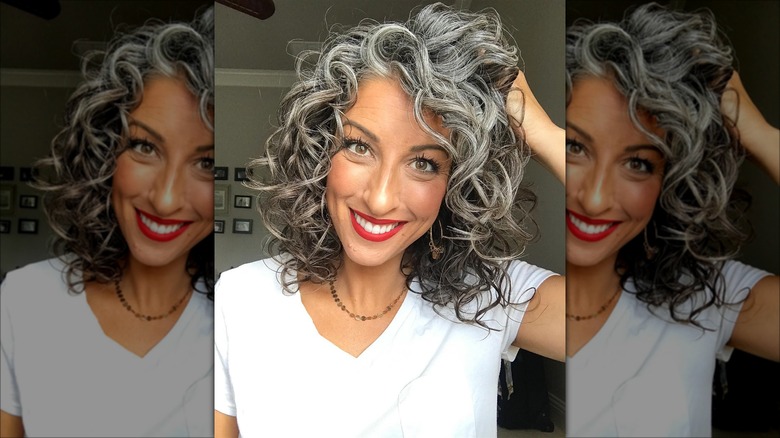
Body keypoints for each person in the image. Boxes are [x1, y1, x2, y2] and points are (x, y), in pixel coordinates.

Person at [214, 3, 565, 437]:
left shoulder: (491, 299)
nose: (380, 199)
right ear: (322, 152)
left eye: (424, 163)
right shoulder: (240, 299)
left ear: (456, 183)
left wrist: (548, 136)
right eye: (360, 147)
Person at [564, 3, 779, 436]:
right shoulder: (503, 294)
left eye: (639, 164)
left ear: (670, 179)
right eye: (575, 147)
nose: (595, 197)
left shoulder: (704, 299)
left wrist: (761, 134)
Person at [0, 7, 215, 437]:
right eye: (145, 148)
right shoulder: (25, 301)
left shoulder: (242, 330)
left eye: (205, 163)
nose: (166, 198)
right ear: (106, 154)